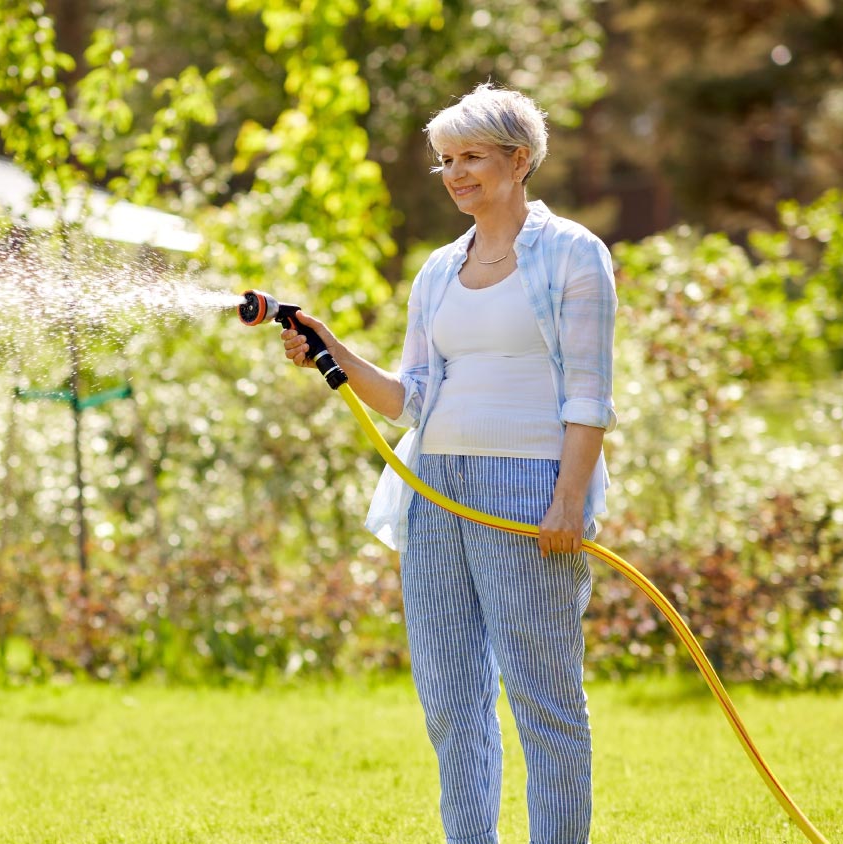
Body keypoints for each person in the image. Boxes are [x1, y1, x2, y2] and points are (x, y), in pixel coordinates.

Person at [281, 83, 616, 844]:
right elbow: (412, 398)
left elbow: (591, 395)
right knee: (450, 699)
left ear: (519, 159)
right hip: (433, 489)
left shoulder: (572, 254)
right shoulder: (439, 269)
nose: (456, 173)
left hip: (526, 487)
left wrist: (568, 500)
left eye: (471, 157)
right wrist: (329, 345)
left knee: (544, 699)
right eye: (446, 161)